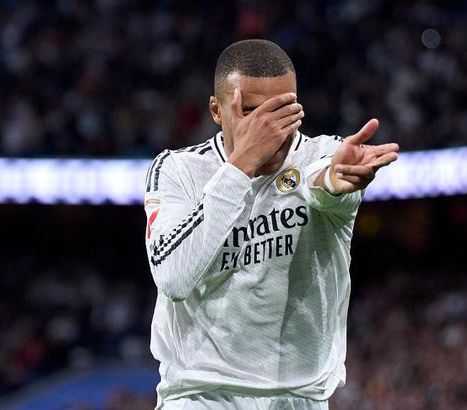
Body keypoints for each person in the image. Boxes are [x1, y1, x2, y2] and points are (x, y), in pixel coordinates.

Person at [144, 39, 399, 410]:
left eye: (282, 110)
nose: (269, 127)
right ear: (216, 111)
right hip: (202, 396)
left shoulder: (328, 155)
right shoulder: (178, 170)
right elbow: (173, 277)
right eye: (250, 112)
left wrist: (333, 182)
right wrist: (241, 165)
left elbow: (323, 182)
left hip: (301, 400)